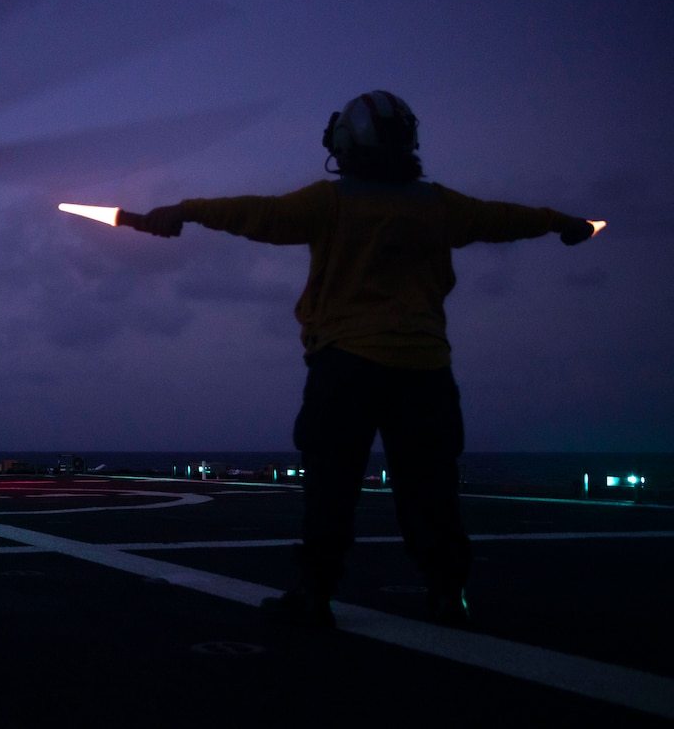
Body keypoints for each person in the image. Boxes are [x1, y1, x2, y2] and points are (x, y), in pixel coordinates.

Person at [129, 90, 600, 629]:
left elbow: (256, 214)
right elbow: (507, 219)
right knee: (431, 489)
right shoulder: (440, 207)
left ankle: (315, 594)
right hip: (425, 368)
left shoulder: (331, 203)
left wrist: (184, 210)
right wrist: (564, 221)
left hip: (346, 365)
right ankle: (448, 594)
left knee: (331, 485)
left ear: (345, 143)